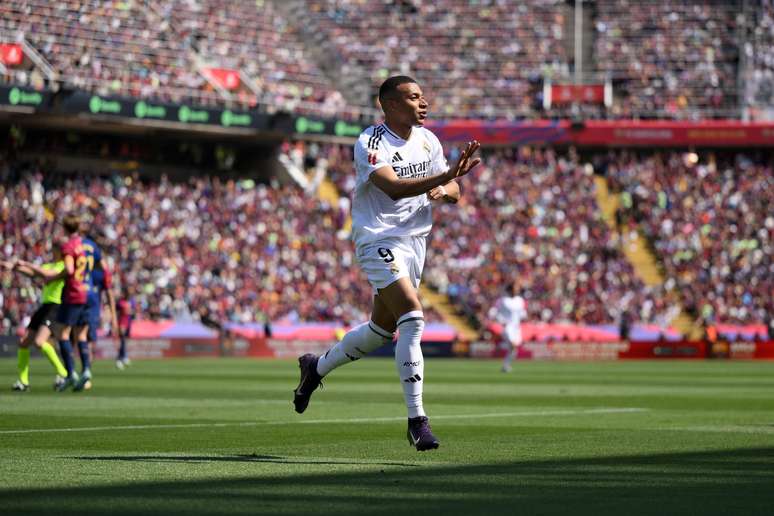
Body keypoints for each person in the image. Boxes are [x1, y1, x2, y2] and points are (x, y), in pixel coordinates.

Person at [293, 75, 481, 451]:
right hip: (378, 238)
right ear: (390, 105)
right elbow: (392, 187)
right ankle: (417, 421)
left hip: (416, 242)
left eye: (423, 96)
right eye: (413, 97)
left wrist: (446, 188)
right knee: (413, 316)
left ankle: (316, 368)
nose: (423, 103)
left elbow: (456, 189)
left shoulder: (428, 140)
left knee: (381, 331)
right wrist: (444, 175)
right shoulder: (371, 142)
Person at [28, 215, 88, 391]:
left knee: (64, 334)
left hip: (64, 300)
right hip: (79, 294)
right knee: (73, 334)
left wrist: (52, 277)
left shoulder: (69, 250)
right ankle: (79, 372)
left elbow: (68, 270)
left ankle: (69, 373)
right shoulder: (81, 246)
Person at [1, 250, 69, 391]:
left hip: (55, 306)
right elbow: (32, 273)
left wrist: (24, 263)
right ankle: (23, 381)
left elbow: (44, 275)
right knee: (24, 342)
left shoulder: (63, 266)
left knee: (39, 342)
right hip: (44, 306)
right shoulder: (50, 265)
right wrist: (11, 266)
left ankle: (63, 373)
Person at [490, 280, 528, 373]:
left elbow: (522, 314)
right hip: (508, 327)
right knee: (513, 345)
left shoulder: (520, 300)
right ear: (511, 289)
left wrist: (524, 317)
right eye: (516, 288)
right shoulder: (503, 300)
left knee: (513, 350)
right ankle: (501, 346)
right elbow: (495, 312)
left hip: (516, 328)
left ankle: (506, 366)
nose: (517, 290)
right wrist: (499, 320)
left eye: (518, 288)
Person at [115, 287, 135, 369]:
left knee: (125, 341)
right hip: (122, 322)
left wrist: (131, 312)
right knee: (122, 340)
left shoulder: (131, 301)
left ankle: (123, 357)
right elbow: (117, 311)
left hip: (128, 322)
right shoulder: (120, 301)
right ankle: (121, 358)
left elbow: (133, 311)